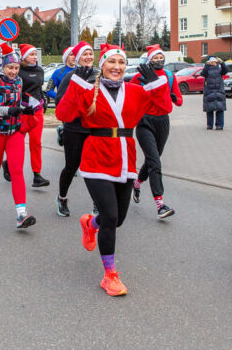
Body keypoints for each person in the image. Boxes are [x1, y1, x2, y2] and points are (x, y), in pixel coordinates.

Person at [56, 43, 170, 296]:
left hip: (125, 158)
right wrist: (76, 83)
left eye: (121, 62)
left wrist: (156, 83)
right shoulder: (89, 90)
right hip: (96, 158)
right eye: (111, 62)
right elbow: (64, 112)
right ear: (102, 65)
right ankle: (110, 275)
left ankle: (91, 224)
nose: (116, 67)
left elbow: (164, 108)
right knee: (110, 215)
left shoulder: (135, 91)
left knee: (117, 220)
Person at [0, 43, 38, 228]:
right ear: (3, 67)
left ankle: (21, 214)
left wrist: (27, 108)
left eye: (16, 68)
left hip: (14, 132)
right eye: (10, 67)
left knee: (16, 170)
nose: (13, 71)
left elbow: (17, 103)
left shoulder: (19, 81)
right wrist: (7, 111)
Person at [130, 45, 182, 218]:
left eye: (161, 58)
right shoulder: (140, 76)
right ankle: (160, 205)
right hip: (144, 121)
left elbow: (179, 100)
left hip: (163, 122)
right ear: (149, 60)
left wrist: (173, 97)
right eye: (155, 58)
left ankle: (137, 183)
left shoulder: (169, 76)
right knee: (155, 162)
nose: (159, 60)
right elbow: (127, 94)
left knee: (153, 160)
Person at [54, 41, 96, 217]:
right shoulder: (70, 76)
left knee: (95, 167)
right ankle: (62, 198)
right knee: (71, 167)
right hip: (74, 129)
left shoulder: (99, 75)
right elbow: (60, 102)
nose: (88, 57)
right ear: (78, 58)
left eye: (90, 53)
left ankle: (98, 202)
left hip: (95, 129)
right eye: (84, 54)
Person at [1, 43, 49, 187]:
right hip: (21, 111)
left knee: (36, 143)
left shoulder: (40, 70)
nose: (34, 57)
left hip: (36, 111)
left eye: (35, 54)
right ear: (24, 56)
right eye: (31, 54)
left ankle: (37, 175)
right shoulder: (17, 70)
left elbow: (38, 88)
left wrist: (43, 100)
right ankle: (9, 165)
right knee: (18, 143)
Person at [201, 56, 228, 130]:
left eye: (214, 62)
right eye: (212, 62)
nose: (213, 63)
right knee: (209, 109)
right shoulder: (207, 70)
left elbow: (225, 70)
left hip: (219, 92)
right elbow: (202, 73)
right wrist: (207, 65)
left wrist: (222, 63)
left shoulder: (220, 70)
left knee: (220, 109)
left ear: (216, 63)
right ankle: (209, 125)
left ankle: (219, 125)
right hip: (209, 92)